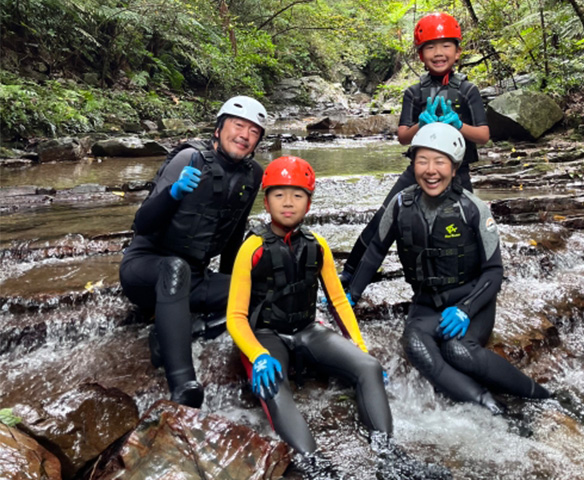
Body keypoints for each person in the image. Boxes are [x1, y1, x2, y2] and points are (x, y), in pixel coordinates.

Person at [226, 156, 451, 480]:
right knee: (273, 383)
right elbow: (235, 316)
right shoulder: (252, 248)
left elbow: (338, 302)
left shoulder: (316, 246)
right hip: (265, 336)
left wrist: (359, 345)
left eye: (298, 196)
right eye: (279, 195)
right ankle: (316, 467)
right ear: (266, 201)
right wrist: (258, 355)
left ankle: (388, 456)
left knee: (368, 367)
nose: (288, 203)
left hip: (306, 328)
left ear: (309, 202)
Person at [348, 123, 550, 415]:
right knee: (416, 346)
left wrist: (465, 309)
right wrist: (351, 295)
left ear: (454, 169)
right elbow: (375, 252)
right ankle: (491, 406)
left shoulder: (473, 209)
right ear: (413, 164)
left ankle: (542, 396)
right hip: (426, 304)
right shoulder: (400, 206)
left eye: (440, 162)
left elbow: (493, 272)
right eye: (422, 161)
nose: (431, 170)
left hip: (472, 303)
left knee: (459, 350)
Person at [119, 95, 268, 408]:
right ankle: (184, 385)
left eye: (253, 131)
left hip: (196, 279)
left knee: (259, 284)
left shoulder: (252, 175)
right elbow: (142, 224)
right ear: (218, 129)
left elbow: (234, 232)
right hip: (146, 269)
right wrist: (172, 195)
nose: (244, 135)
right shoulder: (188, 159)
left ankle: (170, 331)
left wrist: (233, 284)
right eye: (238, 125)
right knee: (176, 269)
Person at [340, 12, 490, 286]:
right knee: (384, 217)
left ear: (458, 52)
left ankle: (471, 282)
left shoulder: (468, 91)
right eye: (430, 47)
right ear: (421, 55)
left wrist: (458, 125)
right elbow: (402, 136)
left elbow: (483, 135)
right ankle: (350, 274)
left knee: (466, 226)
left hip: (458, 172)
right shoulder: (414, 92)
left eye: (446, 46)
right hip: (417, 171)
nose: (438, 53)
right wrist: (420, 125)